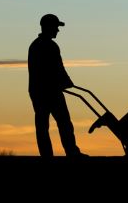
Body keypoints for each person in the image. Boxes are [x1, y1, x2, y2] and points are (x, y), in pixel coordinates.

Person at [28, 13, 87, 157]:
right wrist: (65, 82)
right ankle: (69, 153)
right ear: (49, 27)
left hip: (42, 91)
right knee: (60, 123)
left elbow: (57, 68)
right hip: (47, 91)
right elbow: (55, 68)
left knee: (50, 124)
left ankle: (52, 154)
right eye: (56, 27)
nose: (57, 31)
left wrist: (66, 82)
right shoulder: (47, 46)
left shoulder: (39, 45)